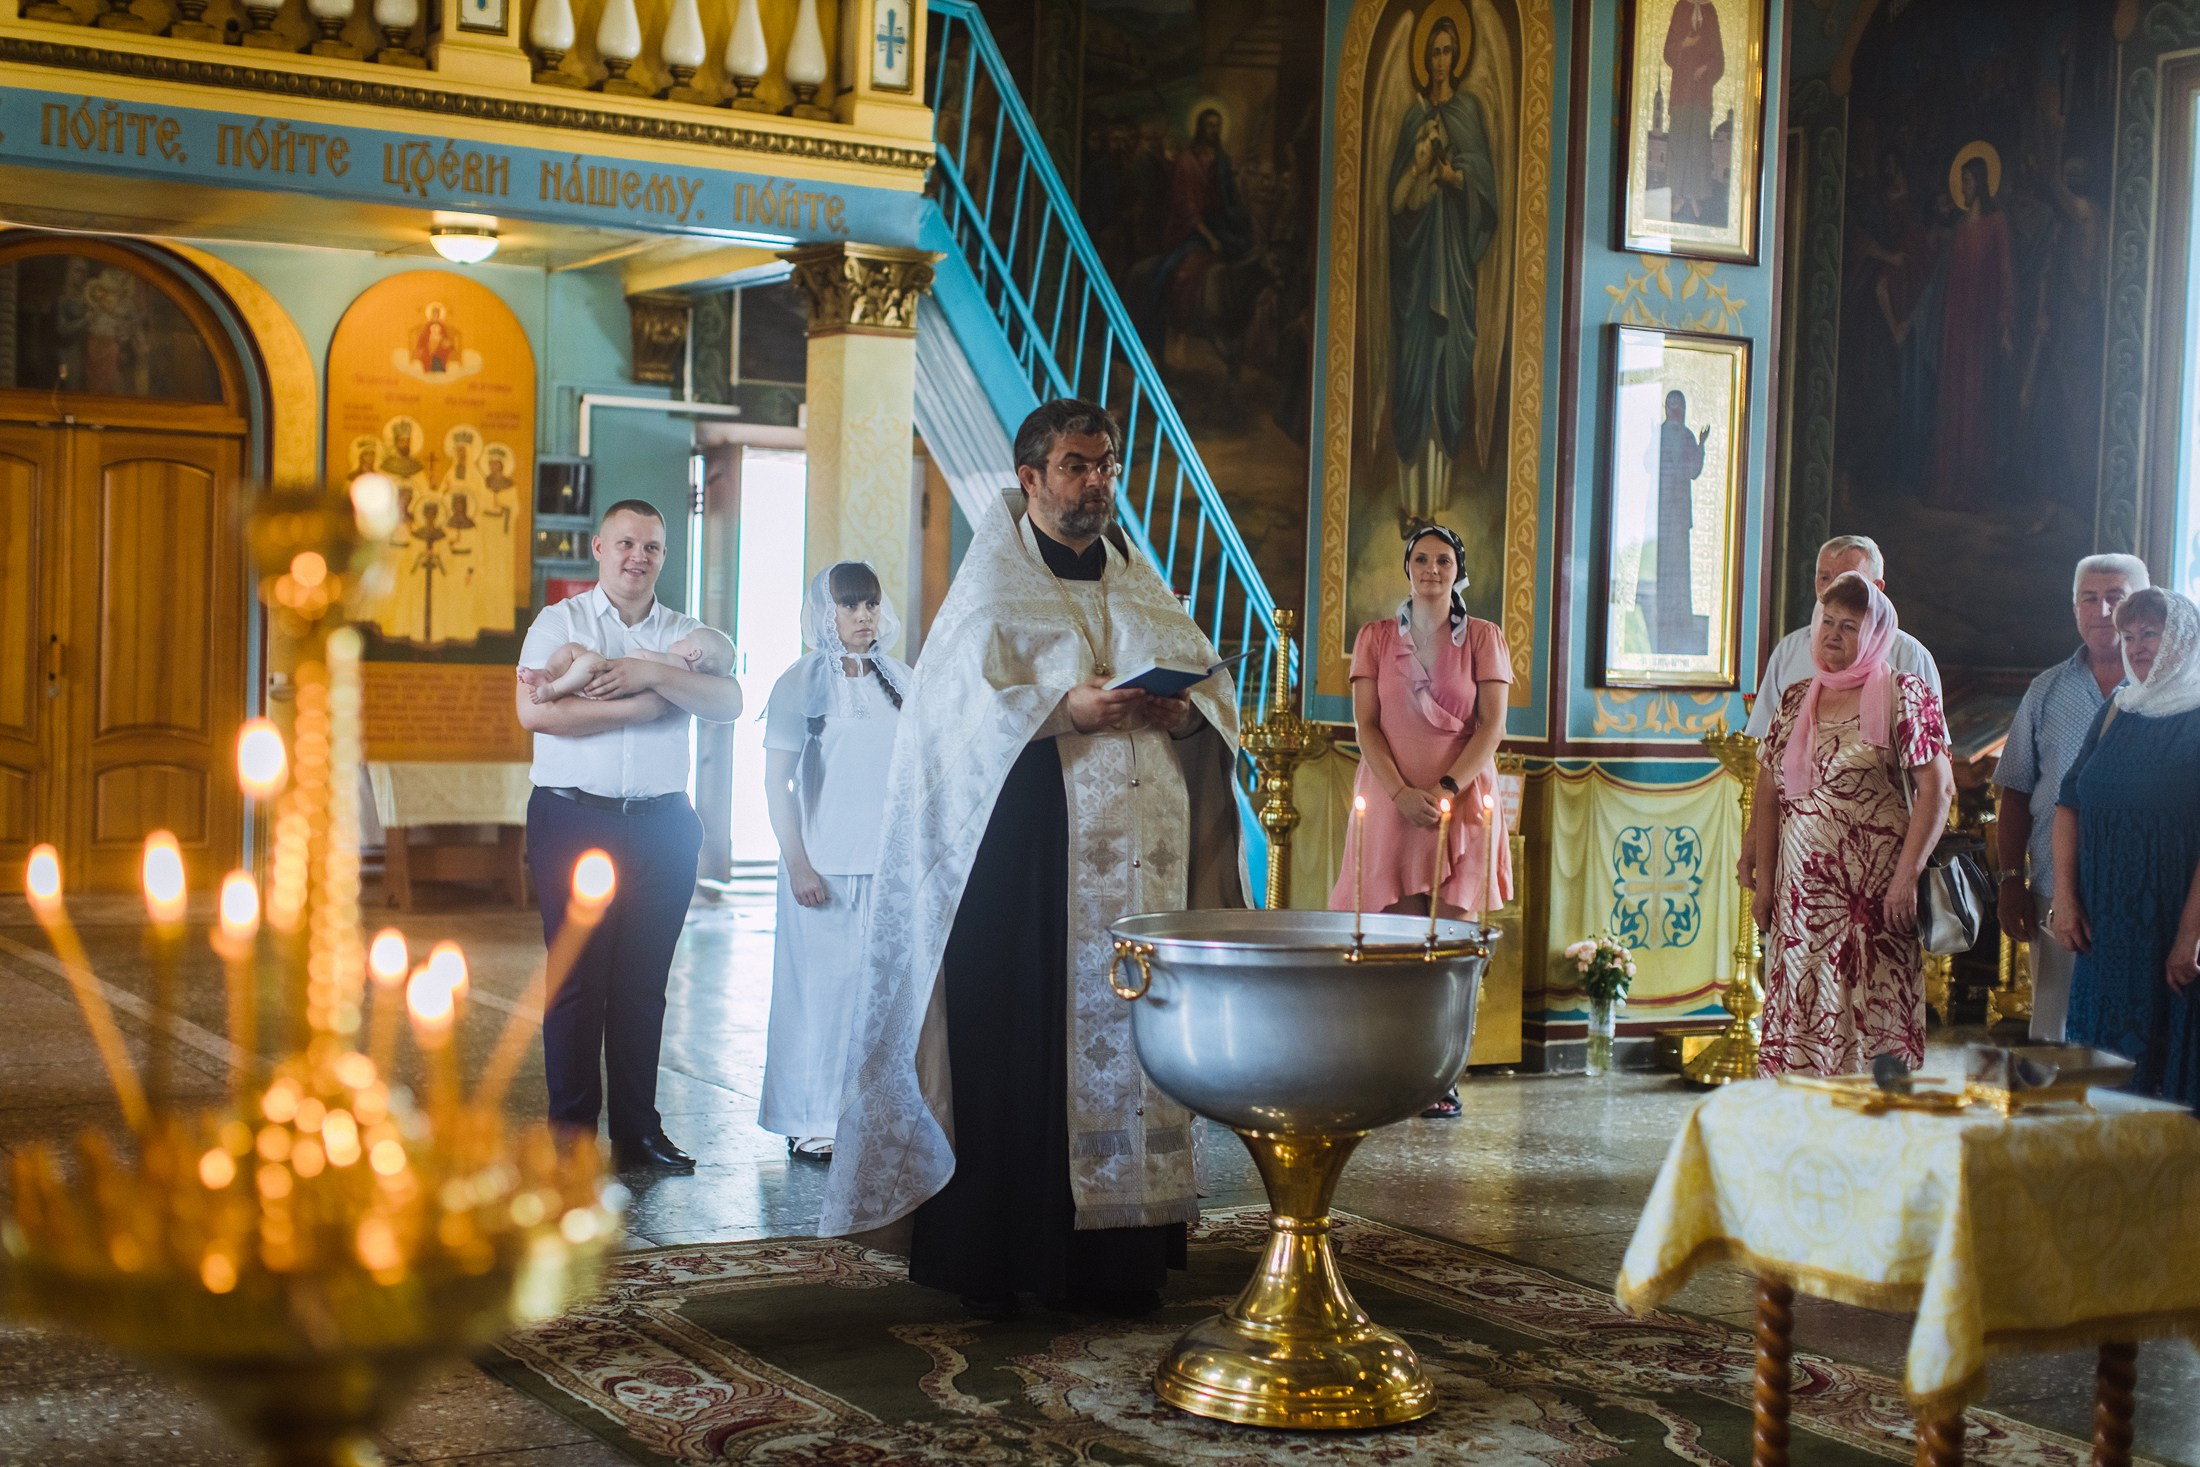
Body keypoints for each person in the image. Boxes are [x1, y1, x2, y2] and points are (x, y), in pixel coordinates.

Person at [820, 398, 1246, 1320]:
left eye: (1108, 465)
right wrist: (1062, 709)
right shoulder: (989, 589)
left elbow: (1205, 684)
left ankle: (1122, 1262)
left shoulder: (1135, 580)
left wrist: (1183, 712)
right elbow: (952, 725)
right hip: (1025, 876)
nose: (1098, 483)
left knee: (1132, 1044)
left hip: (1139, 866)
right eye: (1079, 466)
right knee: (1024, 1044)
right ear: (1030, 478)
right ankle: (1012, 1252)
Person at [515, 499, 743, 1174]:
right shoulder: (562, 622)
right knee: (578, 983)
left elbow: (728, 701)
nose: (637, 557)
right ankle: (571, 1139)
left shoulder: (683, 630)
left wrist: (651, 671)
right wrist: (652, 701)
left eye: (651, 547)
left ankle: (638, 1134)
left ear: (664, 557)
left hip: (663, 826)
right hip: (572, 817)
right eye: (625, 543)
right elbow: (537, 713)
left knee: (643, 987)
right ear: (599, 548)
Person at [1328, 522, 1510, 1118]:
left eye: (1444, 561)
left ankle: (1442, 1073)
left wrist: (1447, 789)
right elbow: (1367, 725)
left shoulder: (1484, 637)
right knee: (1396, 941)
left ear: (1460, 571)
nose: (1432, 570)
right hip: (1390, 800)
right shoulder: (1375, 638)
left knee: (1452, 946)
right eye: (1422, 560)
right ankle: (1392, 1066)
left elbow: (1492, 726)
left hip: (1461, 798)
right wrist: (1402, 792)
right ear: (1407, 567)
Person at [1752, 572, 1952, 1076]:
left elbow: (1939, 790)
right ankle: (1798, 1139)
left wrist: (1907, 877)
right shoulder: (1797, 698)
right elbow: (1770, 793)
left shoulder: (1905, 693)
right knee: (1800, 1020)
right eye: (1827, 622)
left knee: (1868, 1026)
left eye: (1850, 626)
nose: (1833, 634)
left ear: (1878, 635)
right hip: (1801, 902)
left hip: (1874, 900)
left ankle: (1868, 1141)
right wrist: (1763, 883)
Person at [757, 562, 910, 1161]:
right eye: (849, 606)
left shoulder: (902, 679)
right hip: (821, 867)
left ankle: (875, 1115)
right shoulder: (800, 683)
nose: (863, 616)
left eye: (870, 604)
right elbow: (777, 785)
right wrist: (798, 864)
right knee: (820, 995)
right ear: (826, 613)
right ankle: (813, 1118)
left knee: (885, 997)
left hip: (889, 868)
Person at [2048, 588, 2200, 1107]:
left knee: (2169, 1088)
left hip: (2174, 931)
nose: (2135, 647)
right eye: (2128, 636)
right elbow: (2070, 803)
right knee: (2100, 1079)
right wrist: (2064, 899)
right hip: (2105, 932)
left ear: (2182, 637)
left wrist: (2190, 935)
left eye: (2150, 634)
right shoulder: (2118, 709)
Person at [1992, 554, 2149, 1041]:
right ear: (2075, 608)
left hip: (2141, 886)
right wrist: (2010, 879)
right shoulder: (2046, 690)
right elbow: (2015, 791)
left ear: (2139, 607)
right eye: (2089, 598)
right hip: (2052, 889)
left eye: (2115, 598)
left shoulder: (2167, 693)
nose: (2102, 611)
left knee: (2132, 1029)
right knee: (2054, 1028)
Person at [1739, 534, 1941, 888]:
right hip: (1796, 862)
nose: (1833, 588)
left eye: (1847, 578)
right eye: (1824, 577)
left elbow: (1935, 782)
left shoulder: (1909, 661)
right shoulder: (1791, 654)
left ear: (1877, 588)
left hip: (1878, 867)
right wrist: (1754, 842)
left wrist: (1910, 874)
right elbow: (1768, 771)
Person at [1386, 12, 1498, 517]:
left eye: (1448, 51)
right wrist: (1418, 167)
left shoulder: (1467, 111)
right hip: (1414, 273)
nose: (1440, 61)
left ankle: (1439, 505)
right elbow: (1395, 203)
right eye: (1434, 52)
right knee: (1414, 375)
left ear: (1458, 57)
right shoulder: (1414, 119)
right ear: (1424, 58)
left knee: (1447, 371)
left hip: (1452, 269)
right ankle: (1412, 502)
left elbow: (1486, 189)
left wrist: (1455, 177)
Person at [520, 626, 735, 704]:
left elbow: (645, 673)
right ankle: (549, 674)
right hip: (610, 672)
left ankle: (553, 687)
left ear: (693, 653)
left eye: (684, 639)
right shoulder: (677, 668)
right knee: (574, 649)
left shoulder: (678, 665)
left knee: (588, 661)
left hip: (612, 683)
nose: (677, 641)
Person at [1662, 0, 1726, 224]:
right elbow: (1669, 50)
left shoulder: (1710, 11)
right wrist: (1685, 44)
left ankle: (1695, 197)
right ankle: (1678, 195)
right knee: (1679, 140)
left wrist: (1706, 67)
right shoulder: (1681, 7)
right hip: (1682, 88)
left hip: (1701, 92)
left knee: (1698, 143)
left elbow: (1718, 55)